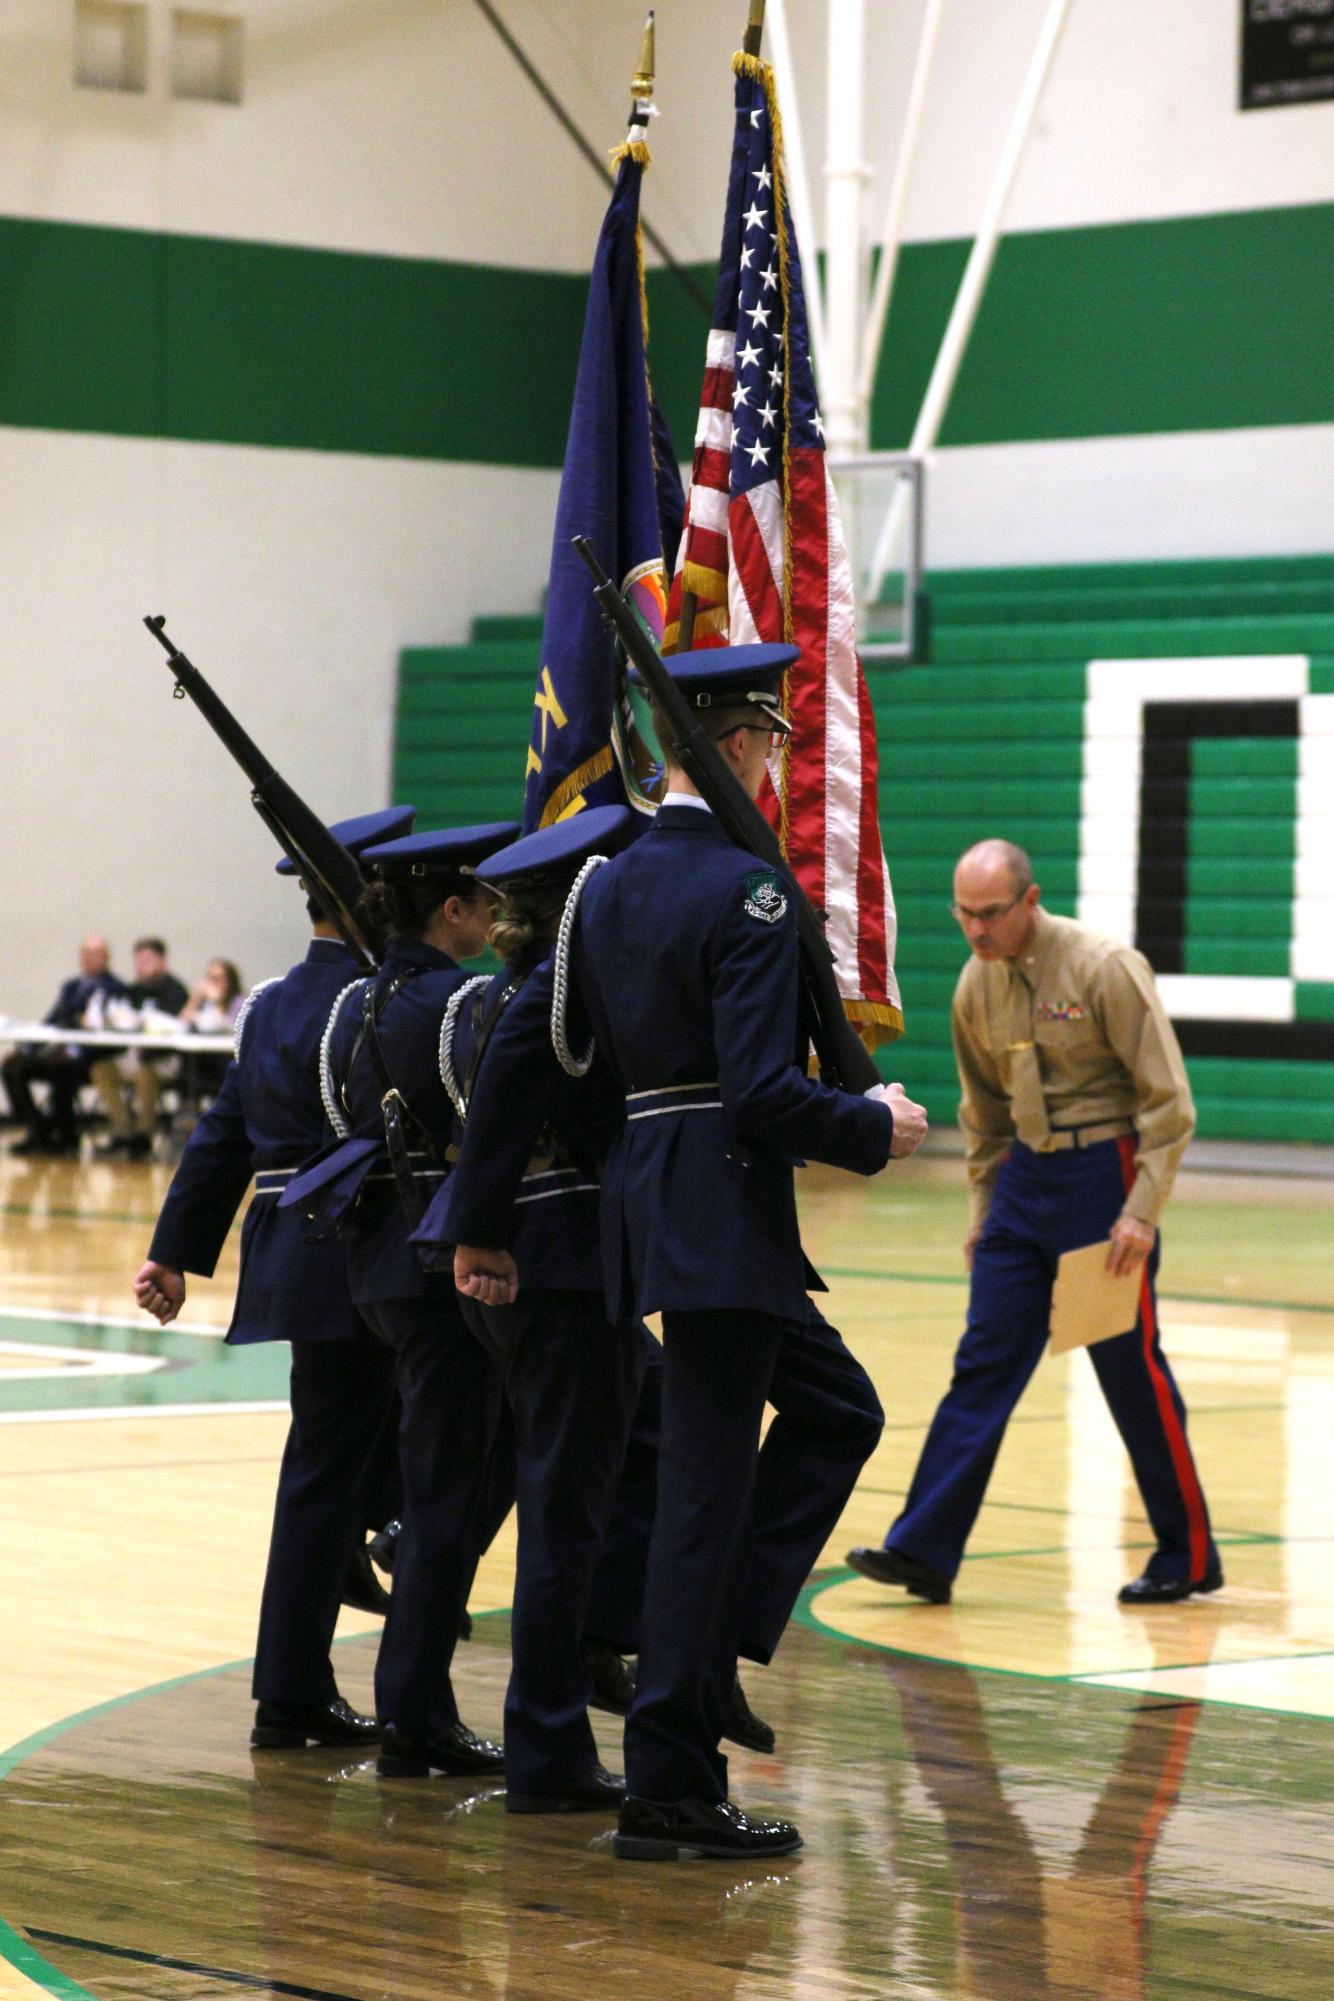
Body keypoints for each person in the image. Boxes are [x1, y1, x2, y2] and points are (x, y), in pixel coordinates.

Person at [455, 643, 929, 1863]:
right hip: (719, 1202)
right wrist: (870, 1124)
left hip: (648, 1198)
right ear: (733, 747)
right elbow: (765, 1093)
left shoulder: (603, 888)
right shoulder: (749, 892)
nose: (776, 762)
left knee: (833, 1410)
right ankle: (669, 1773)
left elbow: (554, 1058)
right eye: (769, 742)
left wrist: (478, 1213)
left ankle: (703, 1656)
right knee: (704, 1496)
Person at [847, 838, 1219, 1608]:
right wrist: (984, 1214)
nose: (976, 930)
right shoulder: (971, 988)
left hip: (1100, 1180)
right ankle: (922, 1548)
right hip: (1023, 1186)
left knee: (1128, 1370)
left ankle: (1189, 1553)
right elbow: (981, 1120)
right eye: (963, 915)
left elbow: (1169, 1105)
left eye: (989, 913)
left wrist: (1141, 1213)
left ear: (1029, 899)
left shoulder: (1104, 966)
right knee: (983, 1361)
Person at [133, 809, 415, 1750]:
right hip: (359, 1249)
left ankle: (311, 1651)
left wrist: (173, 1248)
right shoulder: (377, 1000)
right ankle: (293, 1688)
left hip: (296, 1255)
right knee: (341, 1470)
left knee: (338, 1463)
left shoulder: (271, 1004)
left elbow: (222, 1134)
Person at [416, 805, 663, 1815]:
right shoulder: (543, 1004)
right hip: (552, 1271)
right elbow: (509, 1118)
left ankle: (594, 1663)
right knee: (562, 1514)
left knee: (619, 1464)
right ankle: (549, 1748)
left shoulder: (517, 993)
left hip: (549, 1268)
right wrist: (476, 1231)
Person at [283, 820, 522, 1780]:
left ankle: (409, 1704)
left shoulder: (352, 1003)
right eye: (481, 901)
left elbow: (343, 1123)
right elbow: (480, 1122)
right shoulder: (459, 1000)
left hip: (371, 1264)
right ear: (453, 910)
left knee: (443, 1482)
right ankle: (415, 1714)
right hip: (436, 1270)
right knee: (449, 1492)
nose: (493, 916)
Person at [2, 935, 125, 1155]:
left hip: (88, 1057)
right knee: (13, 1066)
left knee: (61, 1068)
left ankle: (66, 1134)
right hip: (57, 1051)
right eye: (86, 954)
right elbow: (52, 1021)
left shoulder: (117, 989)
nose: (90, 959)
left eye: (96, 954)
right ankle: (37, 1129)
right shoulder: (71, 987)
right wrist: (28, 1048)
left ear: (107, 958)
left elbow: (112, 1030)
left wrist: (76, 1047)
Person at [91, 937, 190, 1157]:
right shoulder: (133, 990)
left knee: (145, 1073)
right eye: (138, 961)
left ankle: (144, 1136)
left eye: (147, 960)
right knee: (102, 1068)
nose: (141, 966)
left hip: (164, 1059)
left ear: (162, 961)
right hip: (136, 1055)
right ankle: (122, 1132)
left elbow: (178, 1029)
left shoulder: (175, 991)